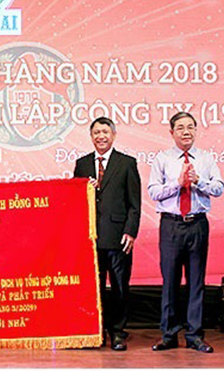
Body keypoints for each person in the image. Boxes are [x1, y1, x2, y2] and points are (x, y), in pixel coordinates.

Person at [148, 111, 224, 353]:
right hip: (171, 224)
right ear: (172, 132)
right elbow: (153, 192)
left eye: (190, 127)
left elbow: (219, 188)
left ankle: (194, 336)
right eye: (181, 127)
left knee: (196, 281)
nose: (186, 132)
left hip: (197, 224)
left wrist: (199, 181)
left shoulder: (205, 158)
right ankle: (169, 335)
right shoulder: (162, 159)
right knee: (170, 281)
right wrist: (177, 184)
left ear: (196, 130)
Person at [74, 117, 141, 351]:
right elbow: (75, 200)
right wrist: (86, 190)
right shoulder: (82, 164)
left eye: (105, 132)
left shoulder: (127, 163)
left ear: (113, 135)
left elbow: (134, 204)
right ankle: (98, 331)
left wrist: (130, 232)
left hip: (119, 237)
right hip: (91, 238)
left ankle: (118, 332)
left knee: (120, 286)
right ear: (91, 137)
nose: (100, 136)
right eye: (96, 132)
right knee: (96, 288)